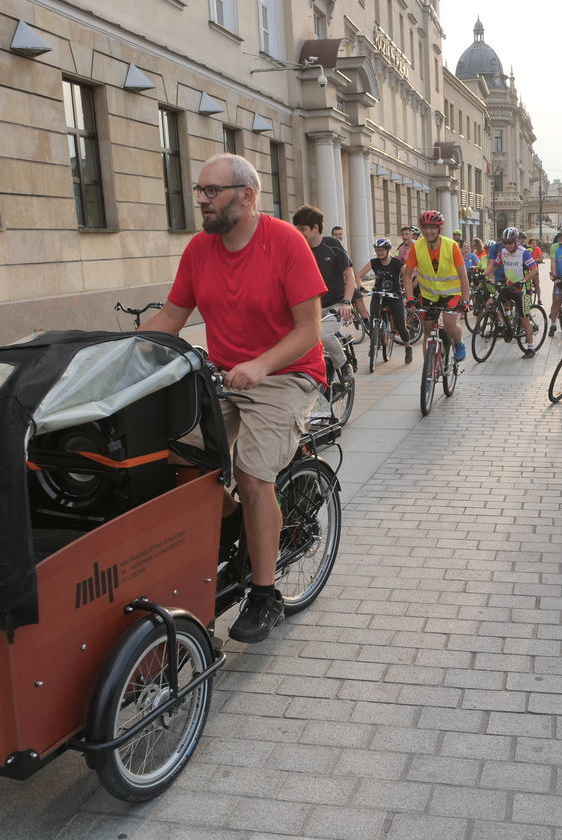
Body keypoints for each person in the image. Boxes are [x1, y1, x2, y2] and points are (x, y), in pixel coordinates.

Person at [143, 153, 325, 644]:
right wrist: (115, 356)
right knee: (180, 460)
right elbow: (169, 320)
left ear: (246, 196)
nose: (201, 200)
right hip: (225, 376)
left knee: (250, 473)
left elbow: (309, 330)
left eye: (211, 191)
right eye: (199, 190)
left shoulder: (285, 242)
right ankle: (237, 530)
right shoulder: (200, 250)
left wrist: (262, 365)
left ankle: (264, 594)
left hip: (286, 374)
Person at [292, 205, 357, 372]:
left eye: (302, 229)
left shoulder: (333, 245)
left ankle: (343, 366)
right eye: (296, 228)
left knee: (324, 336)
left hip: (335, 305)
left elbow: (349, 277)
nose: (299, 232)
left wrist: (347, 303)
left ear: (315, 228)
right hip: (311, 307)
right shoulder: (299, 248)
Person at [401, 209, 471, 361]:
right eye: (425, 227)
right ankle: (429, 369)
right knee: (428, 331)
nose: (428, 231)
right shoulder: (416, 247)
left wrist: (465, 301)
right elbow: (407, 275)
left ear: (440, 228)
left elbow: (463, 276)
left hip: (451, 294)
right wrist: (410, 299)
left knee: (449, 323)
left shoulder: (451, 246)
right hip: (429, 295)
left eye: (432, 227)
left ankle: (459, 343)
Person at [357, 237, 413, 364]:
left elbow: (407, 274)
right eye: (377, 250)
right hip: (378, 295)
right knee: (373, 322)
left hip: (394, 297)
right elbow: (358, 275)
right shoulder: (374, 262)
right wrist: (359, 287)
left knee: (400, 326)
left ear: (388, 250)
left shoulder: (396, 262)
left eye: (382, 250)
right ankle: (374, 345)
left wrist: (408, 287)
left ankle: (408, 348)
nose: (379, 253)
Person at [492, 226, 541, 357]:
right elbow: (495, 265)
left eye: (509, 243)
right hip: (509, 286)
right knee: (494, 302)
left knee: (524, 320)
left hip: (522, 289)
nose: (507, 245)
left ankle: (530, 348)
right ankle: (504, 324)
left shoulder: (523, 252)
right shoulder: (503, 252)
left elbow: (534, 269)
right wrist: (483, 274)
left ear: (516, 241)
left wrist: (524, 280)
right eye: (505, 243)